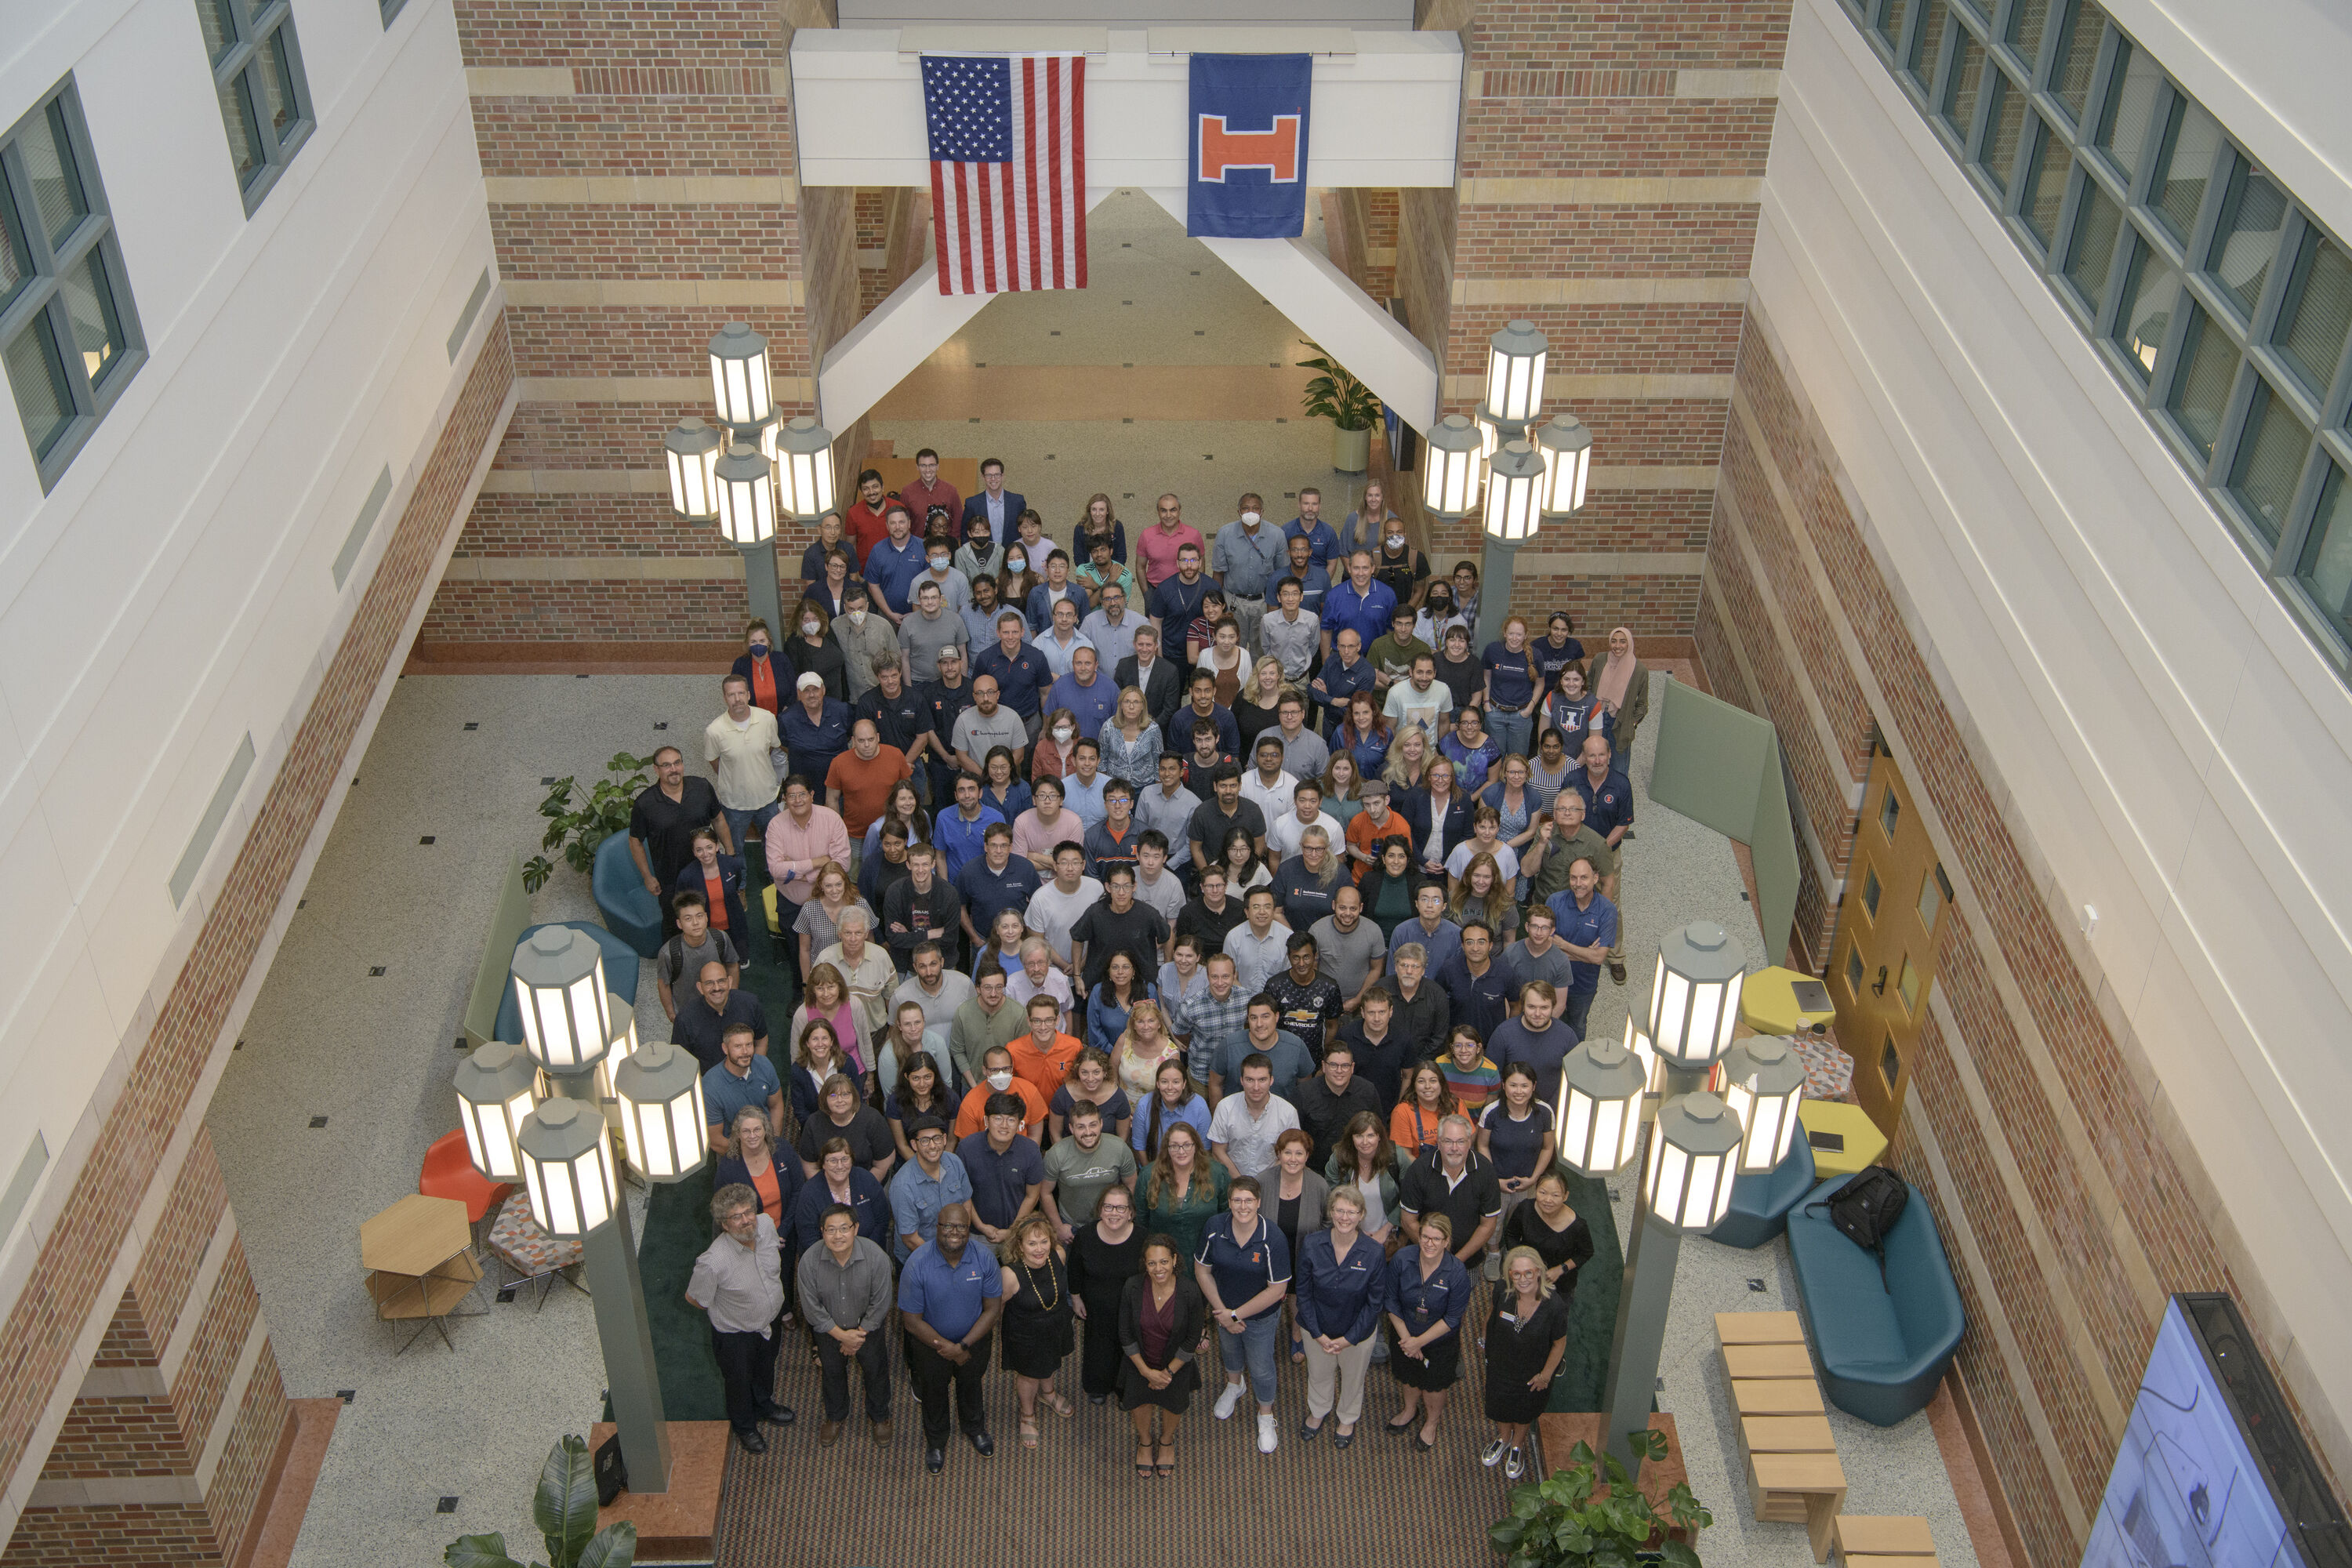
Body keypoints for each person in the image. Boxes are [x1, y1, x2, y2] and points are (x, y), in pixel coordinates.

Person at [687, 1184, 797, 1453]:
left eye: (748, 1211)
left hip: (770, 1322)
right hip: (735, 1335)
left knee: (765, 1368)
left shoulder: (767, 1225)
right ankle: (745, 1426)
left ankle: (764, 1405)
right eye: (736, 1216)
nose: (746, 1220)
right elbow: (696, 1299)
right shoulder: (712, 1262)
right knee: (738, 1383)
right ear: (725, 1225)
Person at [898, 1203, 1004, 1472]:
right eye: (948, 1226)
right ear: (937, 1228)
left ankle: (974, 1428)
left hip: (974, 1342)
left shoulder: (985, 1258)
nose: (954, 1232)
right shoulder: (917, 1263)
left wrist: (964, 1346)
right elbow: (911, 1321)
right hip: (930, 1346)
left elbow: (992, 1309)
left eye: (961, 1226)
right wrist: (947, 1347)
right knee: (933, 1393)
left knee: (971, 1385)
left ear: (969, 1230)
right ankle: (936, 1440)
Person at [1195, 1174, 1291, 1454]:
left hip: (1259, 1317)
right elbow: (1202, 1270)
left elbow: (1277, 1290)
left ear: (1259, 1202)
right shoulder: (1215, 1227)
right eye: (1236, 1200)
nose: (1242, 1206)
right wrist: (1223, 1313)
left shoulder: (1272, 1237)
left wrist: (1236, 1316)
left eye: (1248, 1200)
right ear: (1229, 1202)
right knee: (1230, 1354)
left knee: (1261, 1367)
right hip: (1222, 1310)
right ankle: (1234, 1386)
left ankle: (1265, 1414)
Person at [1295, 1183, 1388, 1446]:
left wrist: (1350, 1338)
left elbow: (1374, 1303)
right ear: (1330, 1213)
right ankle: (1318, 1411)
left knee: (1353, 1378)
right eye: (1339, 1211)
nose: (1344, 1217)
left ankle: (1347, 1417)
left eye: (1351, 1212)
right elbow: (1303, 1294)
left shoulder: (1374, 1252)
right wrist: (1318, 1334)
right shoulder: (1312, 1244)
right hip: (1317, 1329)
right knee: (1318, 1373)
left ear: (1361, 1215)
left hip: (1357, 1333)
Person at [797, 1203, 895, 1446]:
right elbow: (811, 1308)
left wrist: (857, 1337)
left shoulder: (876, 1258)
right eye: (831, 1230)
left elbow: (882, 1303)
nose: (838, 1236)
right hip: (829, 1331)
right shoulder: (809, 1261)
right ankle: (835, 1416)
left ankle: (880, 1416)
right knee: (831, 1374)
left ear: (856, 1228)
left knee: (876, 1372)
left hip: (868, 1330)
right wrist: (841, 1336)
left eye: (844, 1228)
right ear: (822, 1231)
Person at [1119, 1232, 1207, 1477]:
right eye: (1152, 1263)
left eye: (1164, 1261)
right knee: (1140, 1401)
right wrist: (1146, 1371)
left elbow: (1192, 1338)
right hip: (1140, 1364)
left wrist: (1168, 1373)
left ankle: (1166, 1441)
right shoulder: (1132, 1287)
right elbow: (1125, 1333)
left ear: (1175, 1260)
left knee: (1173, 1405)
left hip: (1176, 1367)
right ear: (1144, 1264)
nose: (1159, 1269)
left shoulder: (1190, 1292)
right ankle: (1145, 1441)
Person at [1383, 1211, 1470, 1450]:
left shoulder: (1456, 1272)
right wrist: (1407, 1339)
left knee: (1433, 1385)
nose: (1429, 1244)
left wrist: (1419, 1342)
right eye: (1425, 1237)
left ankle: (1431, 1422)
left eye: (1436, 1239)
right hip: (1404, 1335)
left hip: (1439, 1342)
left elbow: (1452, 1318)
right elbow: (1390, 1300)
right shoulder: (1402, 1259)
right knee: (1408, 1376)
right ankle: (1410, 1410)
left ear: (1446, 1241)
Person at [1482, 1246, 1570, 1479]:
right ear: (1509, 1274)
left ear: (1539, 1272)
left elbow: (1559, 1344)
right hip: (1500, 1366)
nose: (1522, 1279)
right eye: (1516, 1274)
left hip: (1533, 1373)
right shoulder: (1503, 1290)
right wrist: (1484, 1342)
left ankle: (1517, 1446)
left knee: (1523, 1411)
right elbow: (1492, 1315)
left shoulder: (1555, 1305)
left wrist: (1546, 1375)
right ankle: (1502, 1438)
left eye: (1528, 1273)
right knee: (1499, 1405)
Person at [996, 1213, 1077, 1448]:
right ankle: (1027, 1414)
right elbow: (998, 1307)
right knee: (1029, 1375)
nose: (1039, 1249)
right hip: (1024, 1334)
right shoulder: (1010, 1274)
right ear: (1020, 1246)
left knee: (1051, 1362)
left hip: (1055, 1325)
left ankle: (1048, 1393)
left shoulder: (1059, 1256)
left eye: (1044, 1242)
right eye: (1032, 1243)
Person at [630, 746, 728, 935]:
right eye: (666, 765)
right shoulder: (645, 803)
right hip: (670, 879)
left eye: (677, 763)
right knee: (674, 925)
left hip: (707, 869)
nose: (673, 769)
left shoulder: (701, 787)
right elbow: (635, 841)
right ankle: (675, 961)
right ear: (656, 770)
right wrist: (647, 877)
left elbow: (719, 819)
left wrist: (730, 853)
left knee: (712, 918)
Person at [713, 1105, 802, 1303]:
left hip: (785, 1231)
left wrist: (782, 1232)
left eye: (757, 1130)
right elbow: (723, 1210)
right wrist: (756, 1238)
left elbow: (798, 1190)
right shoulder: (729, 1167)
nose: (752, 1135)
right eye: (746, 1131)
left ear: (766, 1130)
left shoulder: (783, 1150)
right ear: (737, 1134)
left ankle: (786, 1309)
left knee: (785, 1272)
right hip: (749, 1238)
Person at [1400, 1113, 1503, 1279]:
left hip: (1467, 1261)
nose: (1454, 1148)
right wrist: (1432, 1252)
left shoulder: (1486, 1171)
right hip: (1424, 1256)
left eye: (1461, 1141)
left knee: (1460, 1302)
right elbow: (1408, 1220)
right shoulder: (1419, 1170)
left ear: (1469, 1142)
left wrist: (1456, 1261)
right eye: (1448, 1141)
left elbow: (1488, 1226)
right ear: (1438, 1143)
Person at [1069, 1185, 1145, 1406]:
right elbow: (1075, 1269)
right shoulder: (1085, 1235)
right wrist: (1075, 1297)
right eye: (1109, 1207)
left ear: (1131, 1213)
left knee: (1129, 1348)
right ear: (1100, 1210)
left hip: (1131, 1308)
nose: (1114, 1213)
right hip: (1096, 1306)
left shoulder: (1143, 1238)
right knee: (1097, 1347)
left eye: (1121, 1208)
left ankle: (1126, 1389)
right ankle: (1097, 1386)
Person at [1265, 1129, 1327, 1358]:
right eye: (1287, 1152)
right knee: (1267, 1294)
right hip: (1269, 1255)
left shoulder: (1319, 1185)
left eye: (1299, 1153)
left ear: (1307, 1156)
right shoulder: (1263, 1181)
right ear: (1278, 1154)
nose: (1293, 1159)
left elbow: (1328, 1223)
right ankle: (1265, 1335)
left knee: (1298, 1294)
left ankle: (1297, 1334)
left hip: (1305, 1252)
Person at [706, 675, 783, 851]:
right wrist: (736, 774)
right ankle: (739, 880)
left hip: (767, 799)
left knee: (774, 847)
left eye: (741, 693)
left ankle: (772, 877)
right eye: (731, 694)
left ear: (749, 695)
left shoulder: (767, 719)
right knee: (735, 849)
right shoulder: (714, 731)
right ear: (725, 698)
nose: (737, 699)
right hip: (735, 805)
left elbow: (770, 749)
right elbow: (714, 761)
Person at [1546, 856, 1621, 1034]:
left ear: (1595, 878)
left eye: (1584, 878)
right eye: (1573, 877)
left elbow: (1598, 958)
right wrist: (1586, 953)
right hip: (1552, 979)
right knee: (1547, 1023)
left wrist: (1563, 945)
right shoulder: (1555, 902)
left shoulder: (1607, 910)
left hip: (1583, 985)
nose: (1577, 883)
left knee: (1577, 1026)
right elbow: (1545, 945)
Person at [1044, 1094, 1138, 1230]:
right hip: (1071, 1226)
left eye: (1092, 1125)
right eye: (1081, 1127)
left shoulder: (1119, 1148)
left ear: (1101, 1124)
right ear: (1071, 1128)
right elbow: (1045, 1192)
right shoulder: (1056, 1153)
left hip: (1111, 1222)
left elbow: (1131, 1183)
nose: (1088, 1132)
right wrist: (1058, 1227)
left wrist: (1123, 1216)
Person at [1070, 864, 1168, 993]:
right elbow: (1077, 939)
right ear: (1108, 887)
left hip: (1141, 989)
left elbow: (1167, 935)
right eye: (1116, 887)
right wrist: (1077, 976)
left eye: (1127, 886)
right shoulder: (1095, 913)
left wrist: (1166, 969)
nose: (1121, 893)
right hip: (1100, 987)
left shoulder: (1148, 914)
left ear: (1134, 887)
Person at [1478, 1064, 1557, 1223]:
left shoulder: (1545, 1112)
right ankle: (1493, 1249)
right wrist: (1494, 1180)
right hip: (1497, 1181)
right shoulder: (1491, 1112)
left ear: (1533, 1086)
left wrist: (1534, 1179)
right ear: (1503, 1085)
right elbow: (1482, 1145)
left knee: (1522, 1222)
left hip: (1529, 1183)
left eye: (1524, 1086)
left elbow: (1548, 1148)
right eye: (1513, 1085)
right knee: (1493, 1224)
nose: (1519, 1091)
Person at [1139, 1122, 1229, 1261]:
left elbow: (1227, 1217)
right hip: (1163, 1263)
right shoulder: (1148, 1175)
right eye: (1174, 1146)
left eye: (1187, 1145)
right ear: (1167, 1148)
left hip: (1208, 1258)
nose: (1181, 1151)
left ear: (1196, 1146)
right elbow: (1141, 1221)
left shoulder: (1217, 1173)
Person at [1501, 1168, 1593, 1304]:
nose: (1548, 1200)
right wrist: (1521, 1260)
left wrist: (1561, 1269)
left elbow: (1586, 1253)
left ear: (1565, 1196)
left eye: (1555, 1195)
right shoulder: (1525, 1208)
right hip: (1526, 1275)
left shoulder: (1578, 1226)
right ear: (1536, 1190)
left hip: (1558, 1282)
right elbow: (1511, 1235)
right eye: (1542, 1193)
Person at [1208, 1051, 1303, 1178]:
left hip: (1273, 1182)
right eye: (1250, 1080)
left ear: (1271, 1080)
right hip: (1233, 1182)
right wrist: (1242, 1184)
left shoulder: (1288, 1112)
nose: (1256, 1087)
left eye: (1262, 1080)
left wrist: (1264, 1183)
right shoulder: (1225, 1107)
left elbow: (1291, 1154)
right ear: (1242, 1080)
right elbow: (1218, 1151)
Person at [1489, 978, 1578, 1112]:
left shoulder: (1568, 1037)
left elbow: (1572, 1078)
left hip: (1553, 1111)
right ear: (1523, 1006)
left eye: (1544, 1007)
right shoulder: (1503, 1034)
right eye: (1532, 1007)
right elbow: (1493, 1076)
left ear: (1553, 1007)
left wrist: (1551, 1110)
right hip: (1510, 1111)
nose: (1537, 1014)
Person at [793, 1136, 891, 1256]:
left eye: (845, 1159)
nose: (840, 1166)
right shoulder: (810, 1192)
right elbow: (808, 1238)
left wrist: (863, 1252)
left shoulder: (866, 1179)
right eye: (833, 1161)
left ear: (852, 1160)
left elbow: (882, 1220)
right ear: (823, 1164)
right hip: (825, 1260)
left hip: (868, 1254)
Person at [889, 1116, 973, 1258]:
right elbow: (910, 1238)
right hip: (920, 1256)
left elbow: (966, 1203)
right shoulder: (902, 1185)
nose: (933, 1146)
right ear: (914, 1145)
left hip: (956, 1250)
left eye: (937, 1138)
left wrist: (960, 1241)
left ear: (945, 1139)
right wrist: (942, 1259)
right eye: (925, 1141)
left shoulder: (954, 1162)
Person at [1295, 1040, 1385, 1171]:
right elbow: (1294, 1137)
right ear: (1324, 1067)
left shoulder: (1367, 1091)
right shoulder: (1303, 1094)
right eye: (1333, 1065)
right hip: (1313, 1170)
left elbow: (1379, 1132)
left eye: (1345, 1066)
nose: (1339, 1071)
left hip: (1357, 1169)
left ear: (1352, 1067)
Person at [655, 887, 739, 1023]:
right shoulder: (668, 952)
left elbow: (732, 964)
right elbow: (663, 984)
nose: (695, 923)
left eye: (699, 916)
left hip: (719, 1006)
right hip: (688, 1012)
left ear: (706, 917)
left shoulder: (720, 938)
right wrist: (671, 1014)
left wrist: (733, 993)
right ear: (679, 923)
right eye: (688, 918)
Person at [672, 961, 769, 1073]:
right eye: (709, 983)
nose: (717, 988)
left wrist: (754, 1072)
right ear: (700, 987)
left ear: (730, 981)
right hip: (708, 1084)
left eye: (721, 981)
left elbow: (761, 1041)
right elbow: (680, 1062)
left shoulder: (751, 1004)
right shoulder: (685, 1020)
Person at [1325, 1114, 1404, 1250]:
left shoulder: (1396, 1156)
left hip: (1387, 1238)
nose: (1365, 1142)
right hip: (1347, 1235)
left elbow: (1410, 1197)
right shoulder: (1339, 1159)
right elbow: (1331, 1199)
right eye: (1359, 1136)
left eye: (1371, 1136)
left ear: (1379, 1137)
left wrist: (1386, 1230)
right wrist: (1355, 1232)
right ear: (1352, 1138)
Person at [797, 1071, 895, 1179]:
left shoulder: (873, 1119)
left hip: (869, 1182)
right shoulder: (813, 1123)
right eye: (833, 1095)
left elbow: (883, 1164)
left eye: (845, 1094)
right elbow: (809, 1166)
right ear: (825, 1099)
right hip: (826, 1186)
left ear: (854, 1096)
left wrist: (863, 1190)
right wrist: (827, 1192)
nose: (840, 1100)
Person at [705, 1024, 786, 1152]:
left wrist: (773, 1142)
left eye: (749, 1045)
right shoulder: (711, 1086)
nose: (745, 1052)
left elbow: (776, 1106)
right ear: (725, 1048)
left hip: (766, 1143)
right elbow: (716, 1141)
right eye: (738, 1046)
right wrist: (753, 1152)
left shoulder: (764, 1065)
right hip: (733, 1150)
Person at [1312, 884, 1387, 1018]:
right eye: (1342, 908)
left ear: (1361, 908)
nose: (1347, 914)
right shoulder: (1317, 930)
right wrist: (1325, 997)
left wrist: (1358, 1000)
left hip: (1363, 1002)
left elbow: (1376, 970)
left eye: (1353, 909)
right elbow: (1313, 969)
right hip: (1324, 1000)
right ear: (1334, 905)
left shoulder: (1373, 931)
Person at [1436, 920, 1517, 1044]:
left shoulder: (1505, 973)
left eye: (1481, 942)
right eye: (1469, 942)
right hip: (1456, 1046)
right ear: (1463, 946)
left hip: (1492, 1046)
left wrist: (1508, 1035)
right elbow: (1436, 1003)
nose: (1475, 948)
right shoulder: (1449, 969)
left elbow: (1516, 1006)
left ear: (1490, 945)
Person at [1264, 931, 1343, 1056]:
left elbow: (1332, 1026)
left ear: (1315, 956)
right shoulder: (1274, 985)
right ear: (1289, 957)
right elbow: (1266, 1023)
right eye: (1296, 957)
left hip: (1314, 1058)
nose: (1301, 964)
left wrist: (1326, 1059)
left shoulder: (1329, 987)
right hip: (1280, 1055)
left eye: (1306, 957)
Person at [954, 1044, 1049, 1141]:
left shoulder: (1029, 1091)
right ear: (985, 1071)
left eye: (1006, 1069)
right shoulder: (970, 1103)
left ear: (1012, 1069)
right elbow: (968, 1145)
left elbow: (1035, 1135)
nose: (1001, 1074)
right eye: (994, 1070)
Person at [1269, 826, 1346, 935]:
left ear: (1327, 847)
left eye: (1319, 849)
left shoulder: (1340, 873)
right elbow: (1276, 912)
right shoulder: (1286, 870)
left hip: (1330, 939)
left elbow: (1347, 913)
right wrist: (1295, 939)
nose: (1313, 854)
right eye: (1308, 848)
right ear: (1301, 846)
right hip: (1292, 937)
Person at [1132, 1058, 1212, 1160]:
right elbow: (1139, 1146)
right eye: (1164, 1082)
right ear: (1157, 1084)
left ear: (1184, 1084)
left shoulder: (1199, 1106)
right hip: (1154, 1167)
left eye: (1176, 1082)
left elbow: (1204, 1148)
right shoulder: (1144, 1105)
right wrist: (1150, 1173)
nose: (1170, 1087)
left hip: (1191, 1168)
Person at [884, 1051, 957, 1163]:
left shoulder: (950, 1098)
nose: (922, 1084)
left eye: (927, 1077)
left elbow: (952, 1140)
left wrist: (942, 1165)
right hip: (909, 1161)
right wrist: (923, 1168)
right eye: (916, 1078)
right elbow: (902, 1145)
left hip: (943, 1159)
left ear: (935, 1075)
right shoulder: (895, 1101)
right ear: (906, 1077)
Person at [1115, 624, 1181, 731]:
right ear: (1134, 645)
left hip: (1157, 731)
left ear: (1156, 646)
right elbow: (1117, 699)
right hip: (1126, 729)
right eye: (1140, 644)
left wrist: (1149, 729)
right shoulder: (1123, 666)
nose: (1144, 649)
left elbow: (1170, 708)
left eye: (1149, 645)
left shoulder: (1170, 671)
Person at [1083, 950, 1150, 1057]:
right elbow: (1094, 1030)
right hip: (1106, 1056)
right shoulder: (1098, 991)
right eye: (1115, 967)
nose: (1120, 972)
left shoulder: (1149, 991)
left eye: (1126, 967)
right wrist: (1117, 1054)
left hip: (1143, 1056)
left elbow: (1156, 1028)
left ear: (1134, 971)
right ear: (1108, 972)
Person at [1096, 687, 1163, 793]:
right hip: (1115, 787)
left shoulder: (1153, 729)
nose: (1131, 707)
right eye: (1127, 702)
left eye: (1136, 702)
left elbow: (1158, 760)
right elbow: (1102, 760)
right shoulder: (1108, 727)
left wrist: (1158, 788)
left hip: (1145, 788)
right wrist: (1103, 786)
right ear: (1121, 705)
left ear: (1142, 706)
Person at [1013, 779, 1087, 873]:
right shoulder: (1021, 822)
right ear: (1034, 800)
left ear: (1061, 800)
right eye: (1042, 796)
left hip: (1065, 883)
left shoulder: (1074, 822)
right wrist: (1058, 864)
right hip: (1031, 881)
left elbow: (1072, 865)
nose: (1047, 801)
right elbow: (1019, 864)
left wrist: (1034, 856)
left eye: (1052, 796)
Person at [732, 618, 796, 721]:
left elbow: (793, 689)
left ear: (769, 642)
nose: (758, 645)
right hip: (753, 721)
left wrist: (787, 711)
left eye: (762, 641)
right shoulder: (740, 664)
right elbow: (735, 693)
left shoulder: (781, 659)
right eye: (753, 641)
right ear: (748, 643)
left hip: (784, 718)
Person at [1439, 706, 1502, 798]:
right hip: (1448, 797)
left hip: (1479, 800)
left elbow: (1492, 781)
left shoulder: (1490, 747)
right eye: (1464, 723)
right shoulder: (1448, 741)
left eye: (1474, 723)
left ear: (1480, 725)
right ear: (1459, 725)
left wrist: (1470, 800)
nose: (1469, 727)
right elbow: (1437, 769)